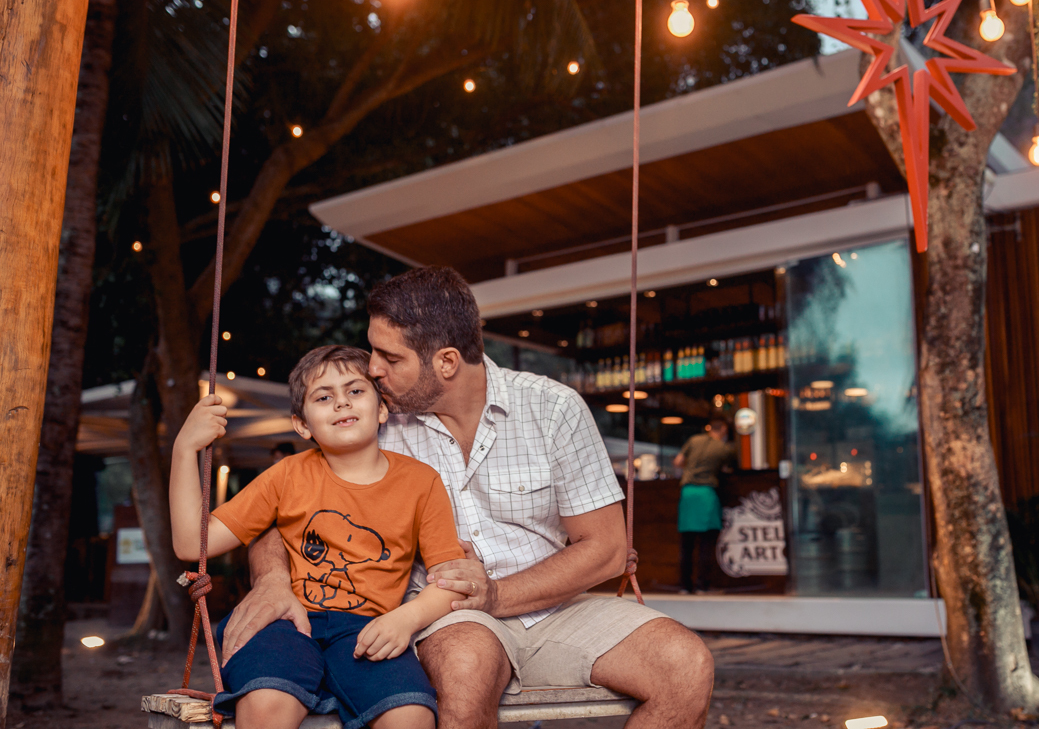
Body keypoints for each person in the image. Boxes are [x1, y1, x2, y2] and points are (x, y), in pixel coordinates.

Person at [221, 266, 715, 729]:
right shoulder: (373, 423)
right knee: (465, 666)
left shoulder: (552, 408)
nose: (371, 370)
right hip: (440, 614)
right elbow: (276, 511)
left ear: (447, 362)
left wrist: (496, 594)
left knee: (685, 665)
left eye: (389, 358)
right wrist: (271, 580)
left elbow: (606, 548)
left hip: (559, 608)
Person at [170, 345, 467, 729]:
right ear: (302, 425)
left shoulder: (421, 481)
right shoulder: (287, 475)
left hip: (369, 627)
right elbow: (192, 544)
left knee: (410, 715)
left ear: (382, 409)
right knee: (265, 701)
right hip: (288, 621)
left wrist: (407, 619)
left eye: (355, 391)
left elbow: (449, 579)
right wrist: (184, 448)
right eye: (324, 397)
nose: (341, 403)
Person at [672, 419, 737, 594]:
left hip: (688, 493)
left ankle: (684, 586)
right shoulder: (724, 449)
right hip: (707, 494)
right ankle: (702, 585)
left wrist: (692, 468)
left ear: (709, 428)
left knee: (686, 544)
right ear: (723, 430)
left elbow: (678, 462)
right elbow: (731, 469)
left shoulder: (694, 440)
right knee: (706, 544)